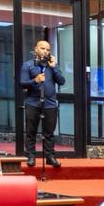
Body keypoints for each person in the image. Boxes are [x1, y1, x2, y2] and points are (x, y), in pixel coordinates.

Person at [19, 39, 65, 167]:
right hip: (32, 103)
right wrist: (35, 80)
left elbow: (61, 81)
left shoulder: (52, 65)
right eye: (43, 48)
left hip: (50, 103)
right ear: (36, 49)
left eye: (48, 49)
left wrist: (54, 67)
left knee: (49, 132)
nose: (45, 51)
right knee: (31, 131)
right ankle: (31, 156)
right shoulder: (28, 65)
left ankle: (50, 156)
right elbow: (22, 83)